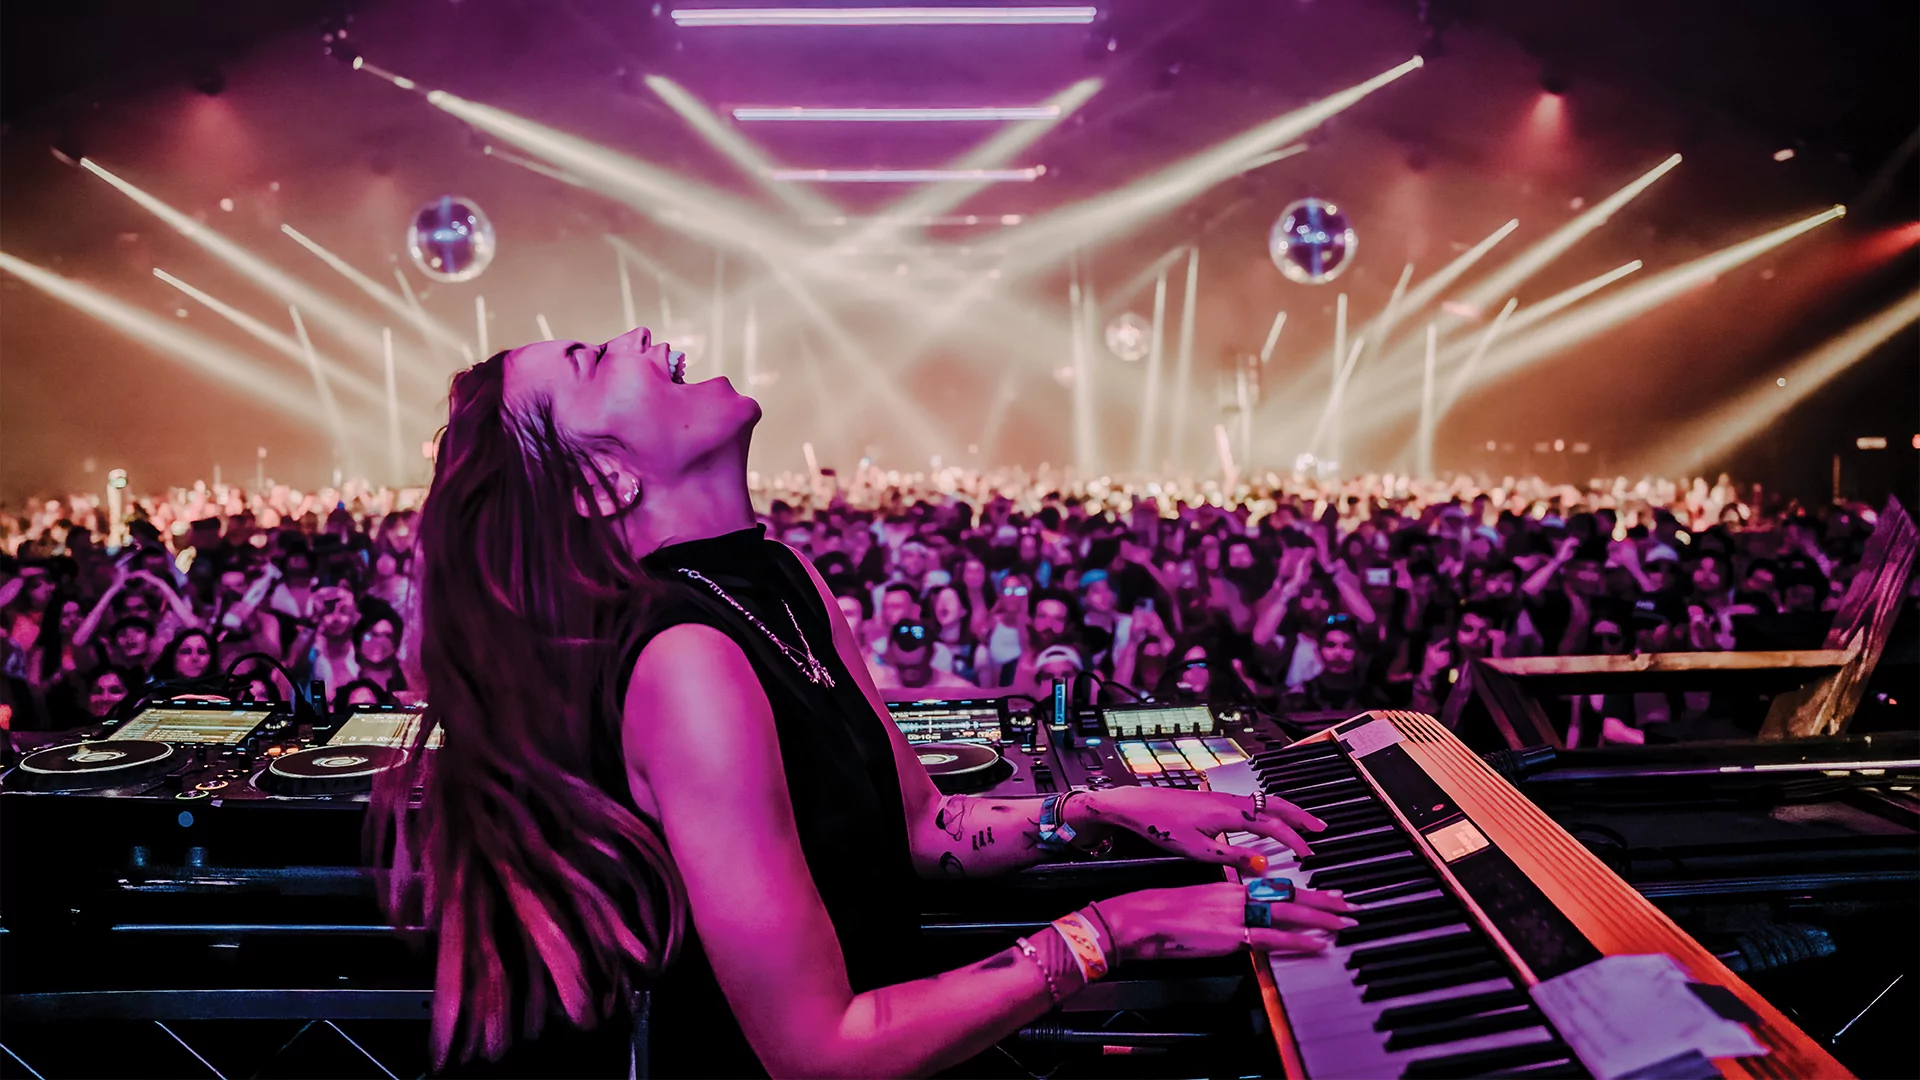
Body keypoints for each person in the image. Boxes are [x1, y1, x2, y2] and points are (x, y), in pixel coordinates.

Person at [378, 329, 1349, 1078]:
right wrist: (1121, 925)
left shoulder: (777, 575)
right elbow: (822, 1053)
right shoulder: (678, 660)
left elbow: (923, 826)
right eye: (595, 360)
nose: (645, 338)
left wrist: (1103, 809)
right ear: (599, 479)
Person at [871, 620, 974, 700]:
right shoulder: (875, 687)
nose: (909, 674)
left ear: (932, 653)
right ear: (889, 654)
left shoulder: (960, 690)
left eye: (916, 668)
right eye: (903, 667)